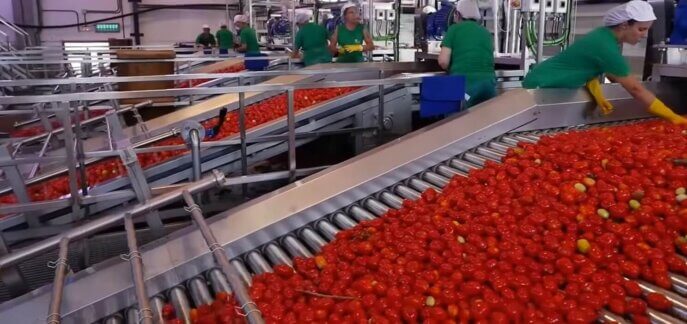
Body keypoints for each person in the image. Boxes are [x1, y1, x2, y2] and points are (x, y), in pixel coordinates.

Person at [523, 0, 687, 124]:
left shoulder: (603, 36)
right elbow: (635, 89)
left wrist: (596, 91)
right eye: (641, 29)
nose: (643, 35)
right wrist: (671, 116)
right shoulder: (605, 45)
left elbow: (595, 66)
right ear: (624, 25)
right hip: (542, 88)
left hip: (550, 84)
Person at [437, 0, 496, 108]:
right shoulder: (486, 32)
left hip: (466, 87)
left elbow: (443, 61)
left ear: (458, 14)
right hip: (488, 86)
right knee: (485, 120)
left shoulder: (454, 29)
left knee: (457, 120)